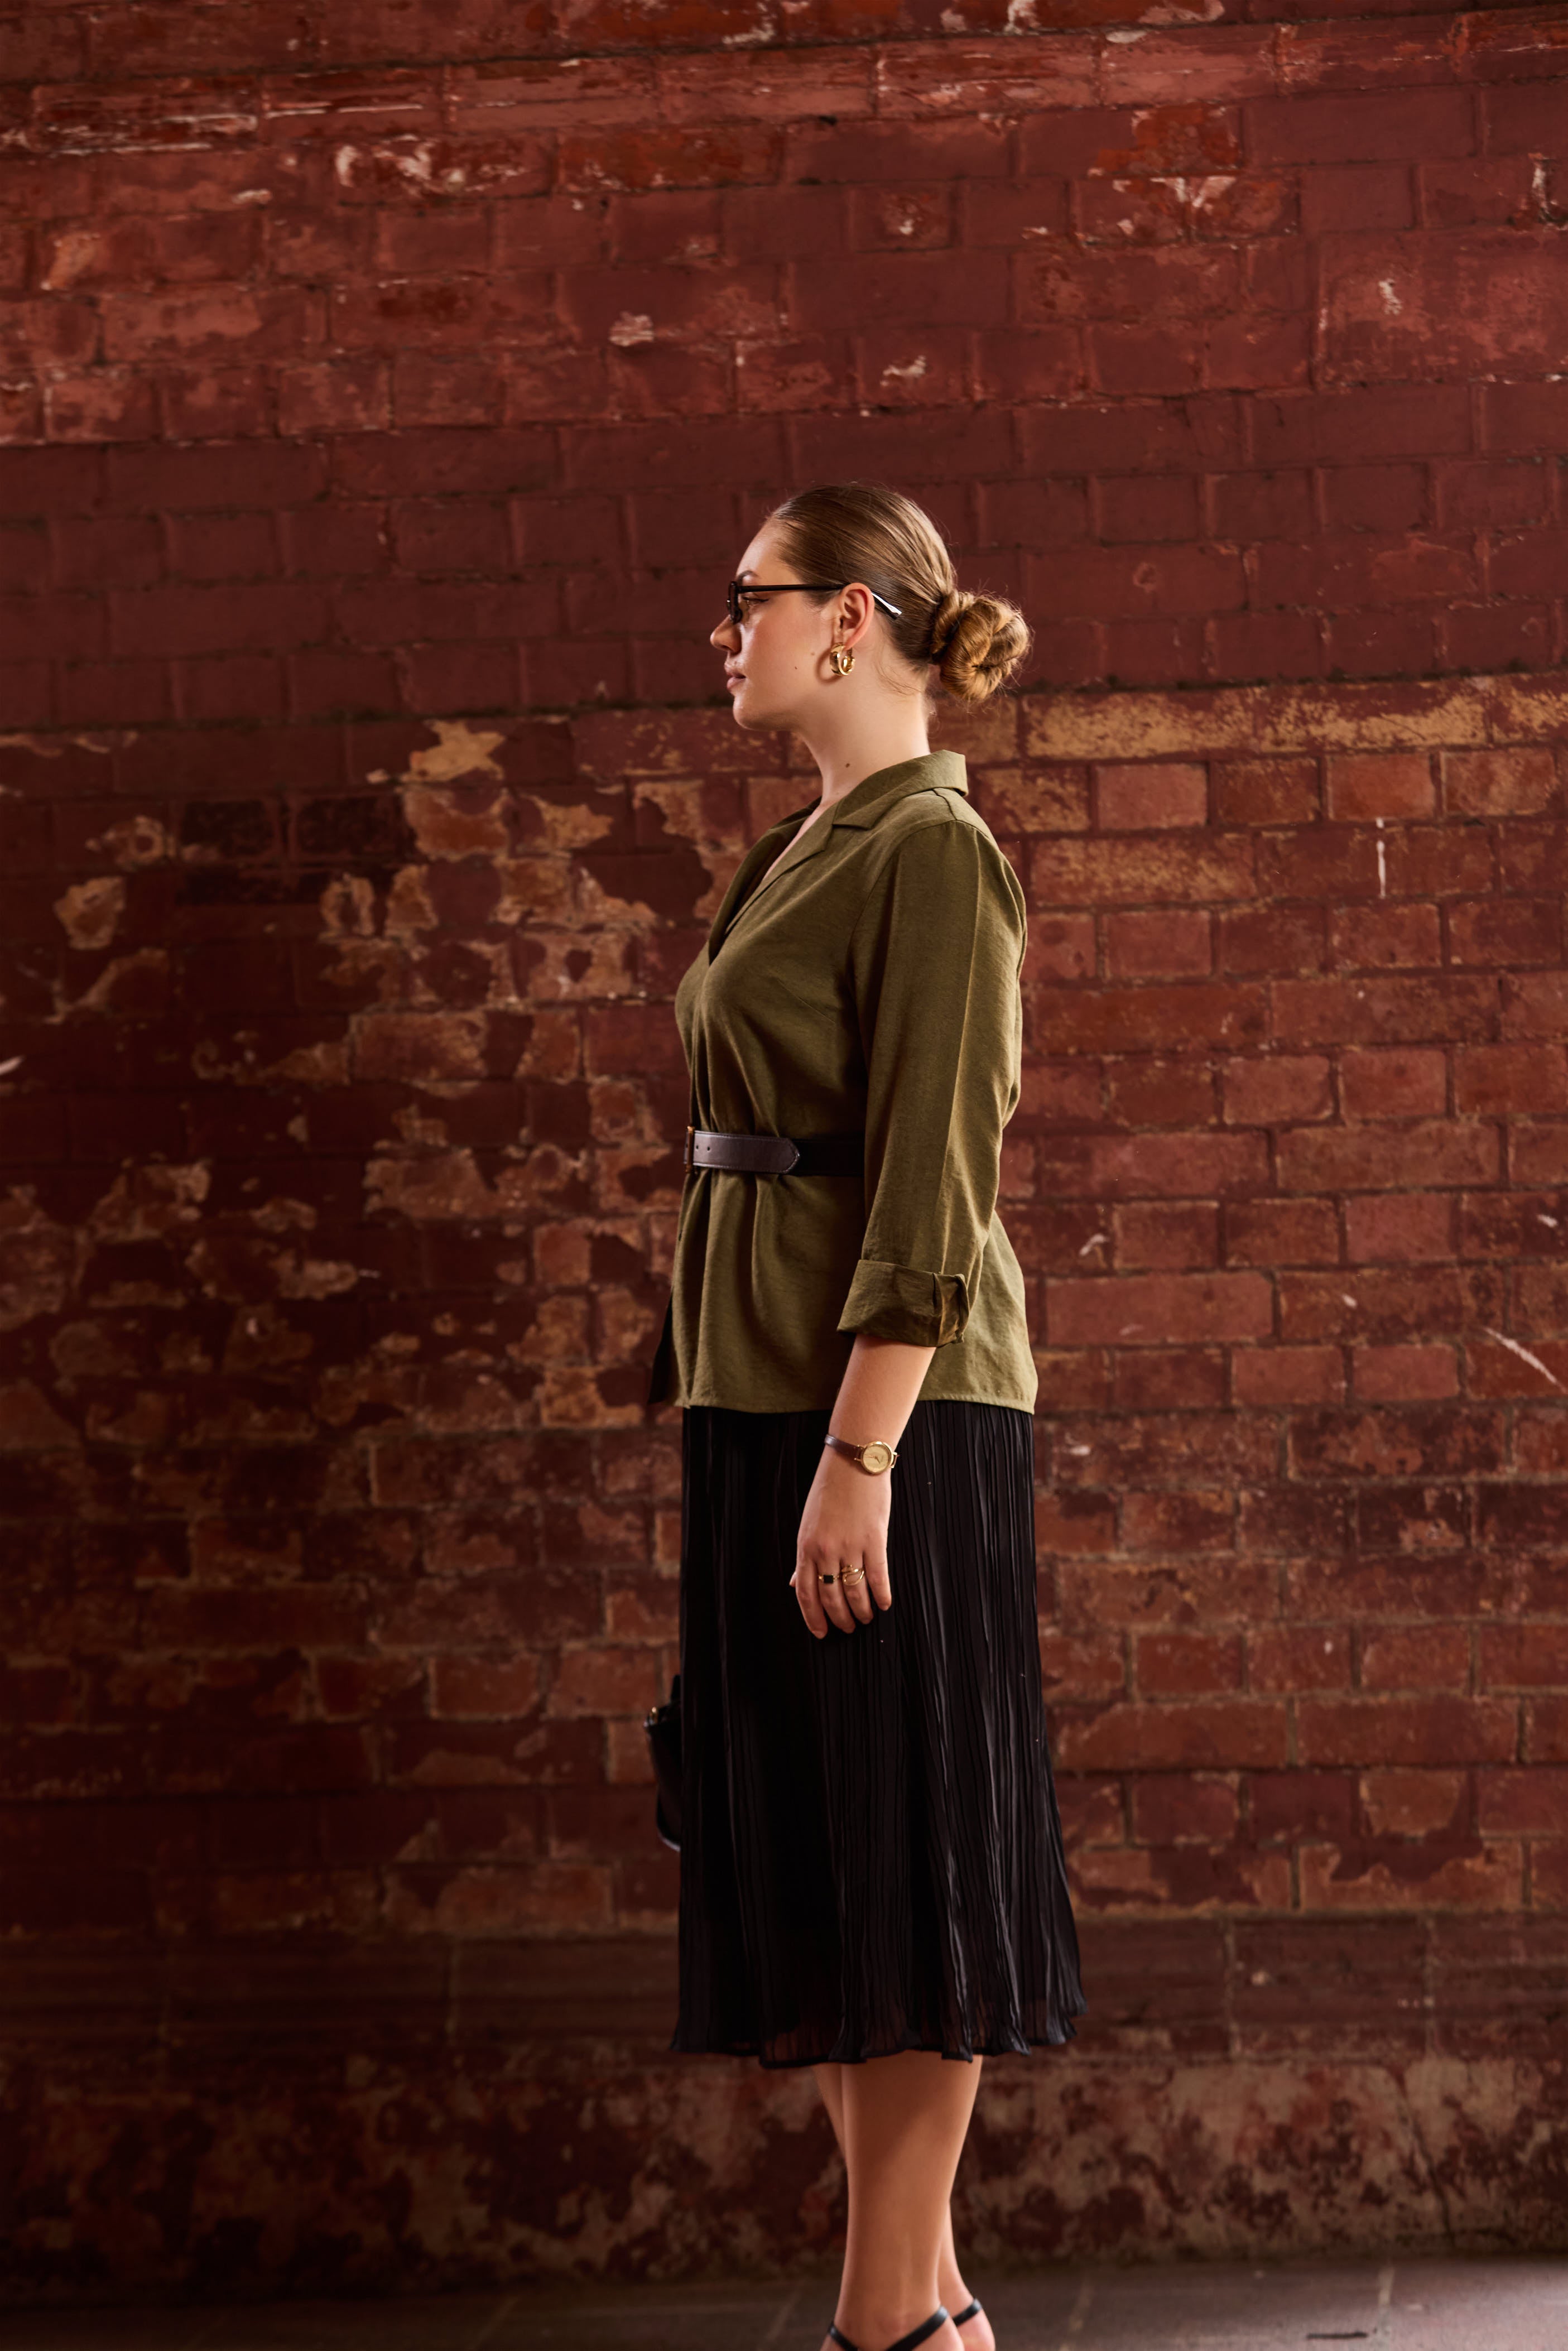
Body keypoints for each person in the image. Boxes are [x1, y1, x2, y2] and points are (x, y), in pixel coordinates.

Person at [647, 482, 1084, 2351]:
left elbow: (934, 1193)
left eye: (744, 598)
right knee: (822, 1853)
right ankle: (936, 2315)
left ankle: (882, 2323)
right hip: (767, 1398)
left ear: (846, 616)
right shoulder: (801, 845)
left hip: (880, 1420)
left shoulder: (934, 851)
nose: (720, 632)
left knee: (907, 1852)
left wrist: (859, 1459)